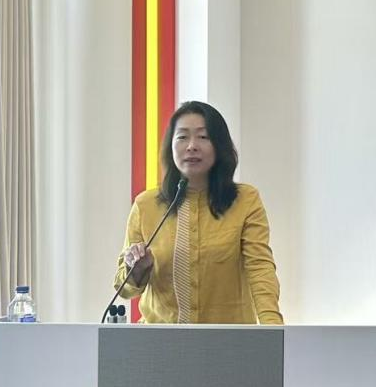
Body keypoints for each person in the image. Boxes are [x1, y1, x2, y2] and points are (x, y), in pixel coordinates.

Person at [114, 101, 284, 324]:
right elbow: (124, 289)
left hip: (227, 338)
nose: (192, 146)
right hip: (159, 339)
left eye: (203, 137)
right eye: (182, 137)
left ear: (219, 145)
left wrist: (273, 328)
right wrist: (136, 269)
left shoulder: (245, 200)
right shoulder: (146, 205)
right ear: (170, 146)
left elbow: (260, 269)